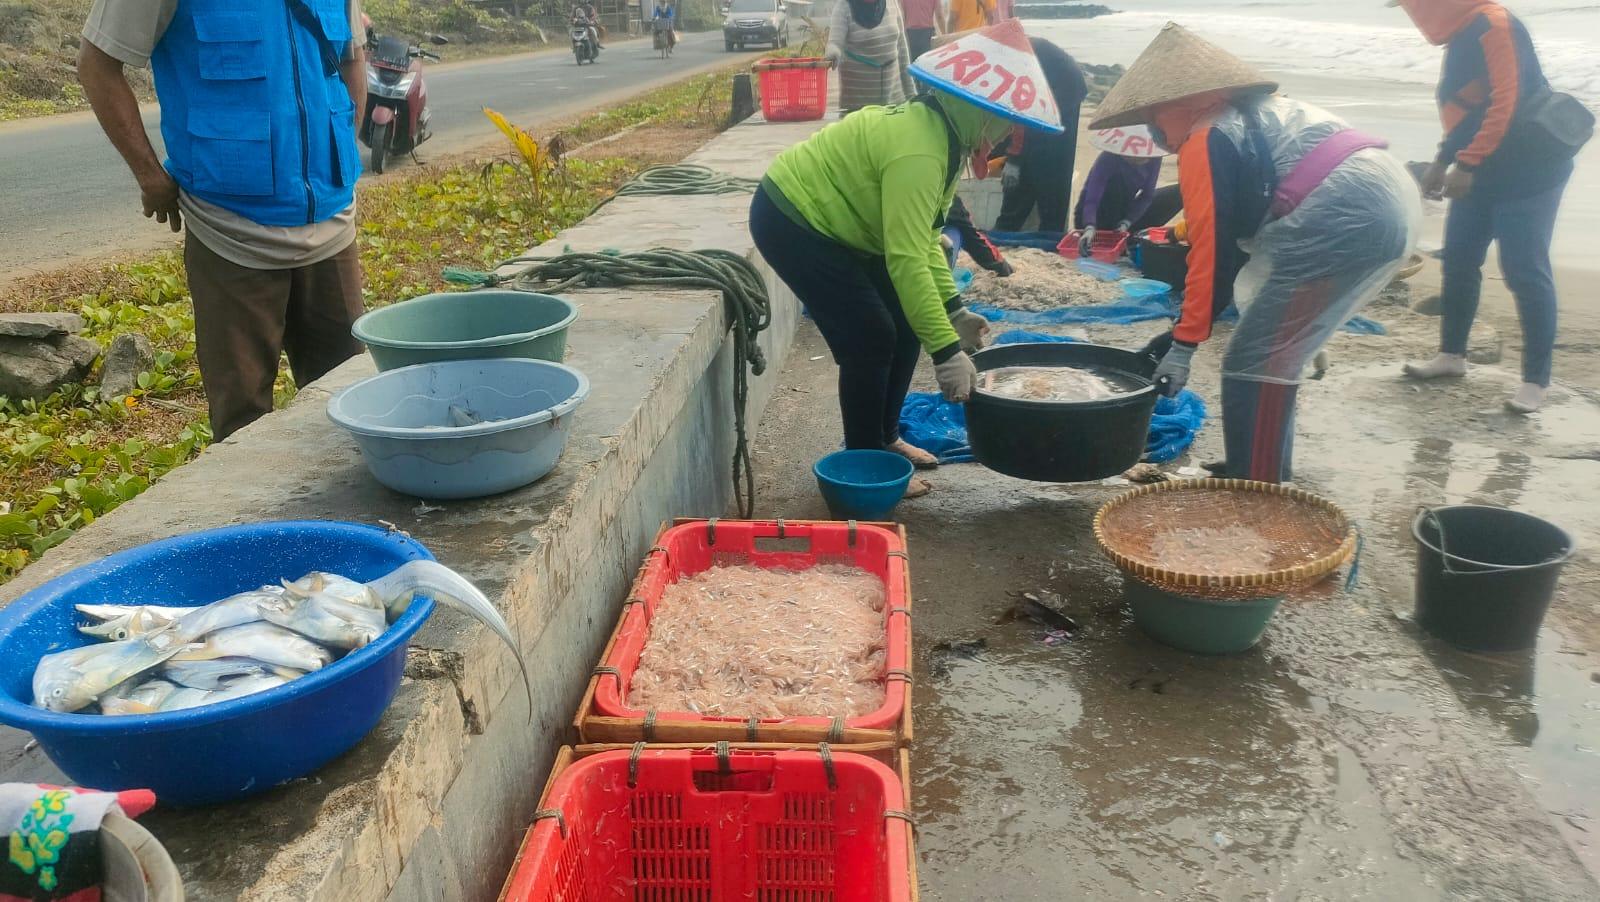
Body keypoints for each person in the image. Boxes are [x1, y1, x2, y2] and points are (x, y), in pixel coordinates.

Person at [1091, 24, 1420, 484]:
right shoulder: (1252, 111)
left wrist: (1185, 345)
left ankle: (1259, 484)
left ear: (1175, 103)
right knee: (1271, 352)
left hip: (1344, 213)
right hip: (1387, 197)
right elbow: (1235, 232)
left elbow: (1213, 249)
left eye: (1153, 117)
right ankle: (1259, 464)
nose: (1155, 132)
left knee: (1255, 359)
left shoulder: (1205, 136)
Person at [752, 21, 1062, 496]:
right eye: (1005, 122)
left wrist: (953, 310)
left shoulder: (945, 136)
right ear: (982, 111)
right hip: (795, 218)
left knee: (903, 317)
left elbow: (925, 239)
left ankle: (886, 438)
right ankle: (864, 460)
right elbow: (905, 259)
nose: (1006, 135)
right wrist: (945, 353)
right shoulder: (920, 148)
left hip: (847, 222)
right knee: (872, 335)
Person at [78, 0, 368, 442]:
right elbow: (97, 64)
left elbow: (351, 57)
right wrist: (150, 176)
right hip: (230, 234)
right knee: (243, 425)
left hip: (333, 228)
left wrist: (340, 153)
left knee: (350, 408)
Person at [1394, 0, 1577, 414]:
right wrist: (1443, 160)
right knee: (1459, 260)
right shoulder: (1462, 32)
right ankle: (1452, 356)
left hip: (1531, 169)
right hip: (1482, 168)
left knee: (1524, 270)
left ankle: (1535, 381)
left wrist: (1469, 162)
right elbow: (1467, 110)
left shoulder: (1493, 23)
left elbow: (1506, 100)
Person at [993, 37, 1087, 233]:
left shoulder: (1010, 62)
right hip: (1059, 84)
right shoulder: (1003, 54)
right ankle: (1026, 224)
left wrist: (1014, 161)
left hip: (1063, 90)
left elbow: (1022, 114)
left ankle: (1034, 229)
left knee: (1045, 165)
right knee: (1040, 159)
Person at [1073, 124, 1184, 255]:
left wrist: (1127, 221)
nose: (1139, 159)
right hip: (1095, 215)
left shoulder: (1154, 157)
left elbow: (1146, 196)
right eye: (1133, 157)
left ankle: (1127, 236)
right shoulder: (1108, 158)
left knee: (1179, 191)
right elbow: (1092, 198)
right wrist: (1089, 226)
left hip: (1125, 215)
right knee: (1118, 185)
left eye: (1143, 157)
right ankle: (1105, 236)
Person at [826, 0, 917, 113]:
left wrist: (912, 96)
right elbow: (835, 43)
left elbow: (903, 51)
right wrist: (833, 51)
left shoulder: (892, 4)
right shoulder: (843, 7)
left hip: (894, 104)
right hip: (859, 109)